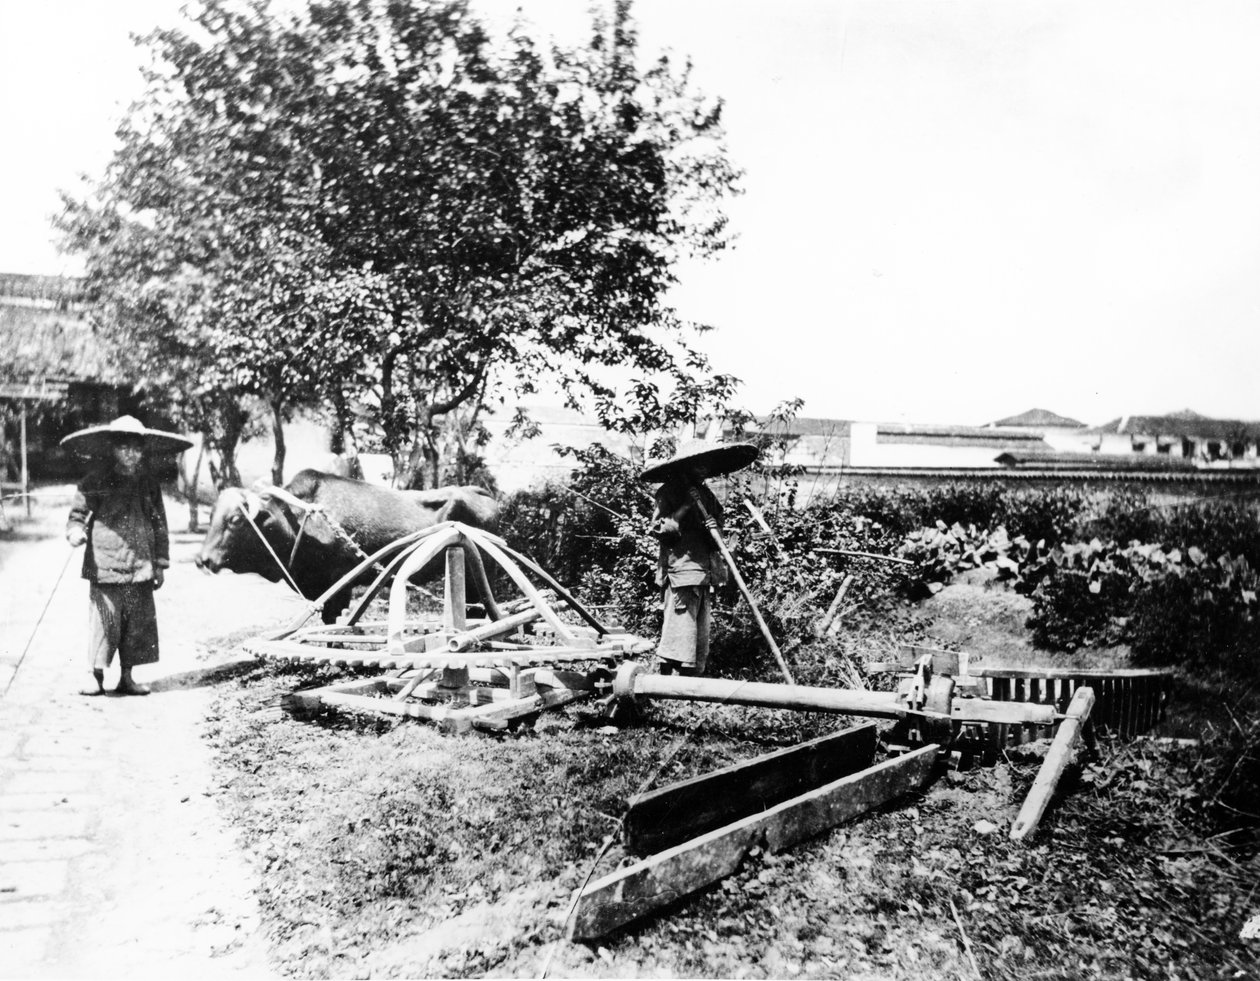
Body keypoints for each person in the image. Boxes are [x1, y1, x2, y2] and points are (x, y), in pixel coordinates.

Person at [63, 416, 190, 696]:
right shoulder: (95, 480)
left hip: (140, 563)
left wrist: (160, 564)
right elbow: (77, 515)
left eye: (136, 448)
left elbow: (159, 525)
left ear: (142, 451)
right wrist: (74, 532)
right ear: (113, 449)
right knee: (104, 621)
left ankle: (128, 677)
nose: (130, 454)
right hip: (105, 561)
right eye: (124, 447)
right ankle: (95, 677)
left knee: (136, 623)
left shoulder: (148, 484)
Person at [641, 440, 758, 677]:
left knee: (698, 633)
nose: (705, 469)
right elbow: (663, 532)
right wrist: (686, 505)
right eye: (699, 464)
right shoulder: (668, 492)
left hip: (705, 571)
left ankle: (691, 685)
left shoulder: (707, 495)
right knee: (679, 630)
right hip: (681, 571)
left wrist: (713, 528)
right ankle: (669, 684)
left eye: (708, 464)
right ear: (687, 465)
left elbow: (717, 538)